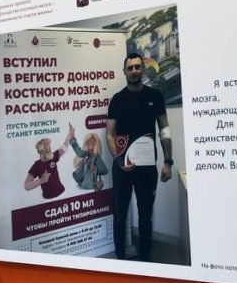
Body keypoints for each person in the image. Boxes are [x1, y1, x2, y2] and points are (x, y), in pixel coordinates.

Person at [106, 53, 173, 262]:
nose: (134, 71)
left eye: (137, 67)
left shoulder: (155, 96)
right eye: (130, 68)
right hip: (122, 168)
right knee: (120, 216)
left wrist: (168, 162)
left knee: (145, 215)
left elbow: (164, 130)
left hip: (147, 168)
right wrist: (119, 159)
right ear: (124, 72)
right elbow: (110, 134)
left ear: (142, 69)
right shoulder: (117, 100)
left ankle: (145, 257)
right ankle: (120, 257)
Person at [23, 125, 75, 199]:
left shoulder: (52, 157)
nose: (49, 150)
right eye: (47, 149)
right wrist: (40, 181)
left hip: (62, 193)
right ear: (41, 152)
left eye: (49, 148)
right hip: (48, 199)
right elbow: (27, 186)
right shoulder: (37, 165)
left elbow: (63, 148)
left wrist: (69, 133)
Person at [69, 127, 108, 191]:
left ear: (96, 144)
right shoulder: (86, 153)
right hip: (81, 181)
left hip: (89, 184)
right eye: (89, 141)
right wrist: (72, 136)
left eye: (92, 142)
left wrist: (95, 169)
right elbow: (78, 151)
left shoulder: (96, 157)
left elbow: (104, 170)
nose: (90, 143)